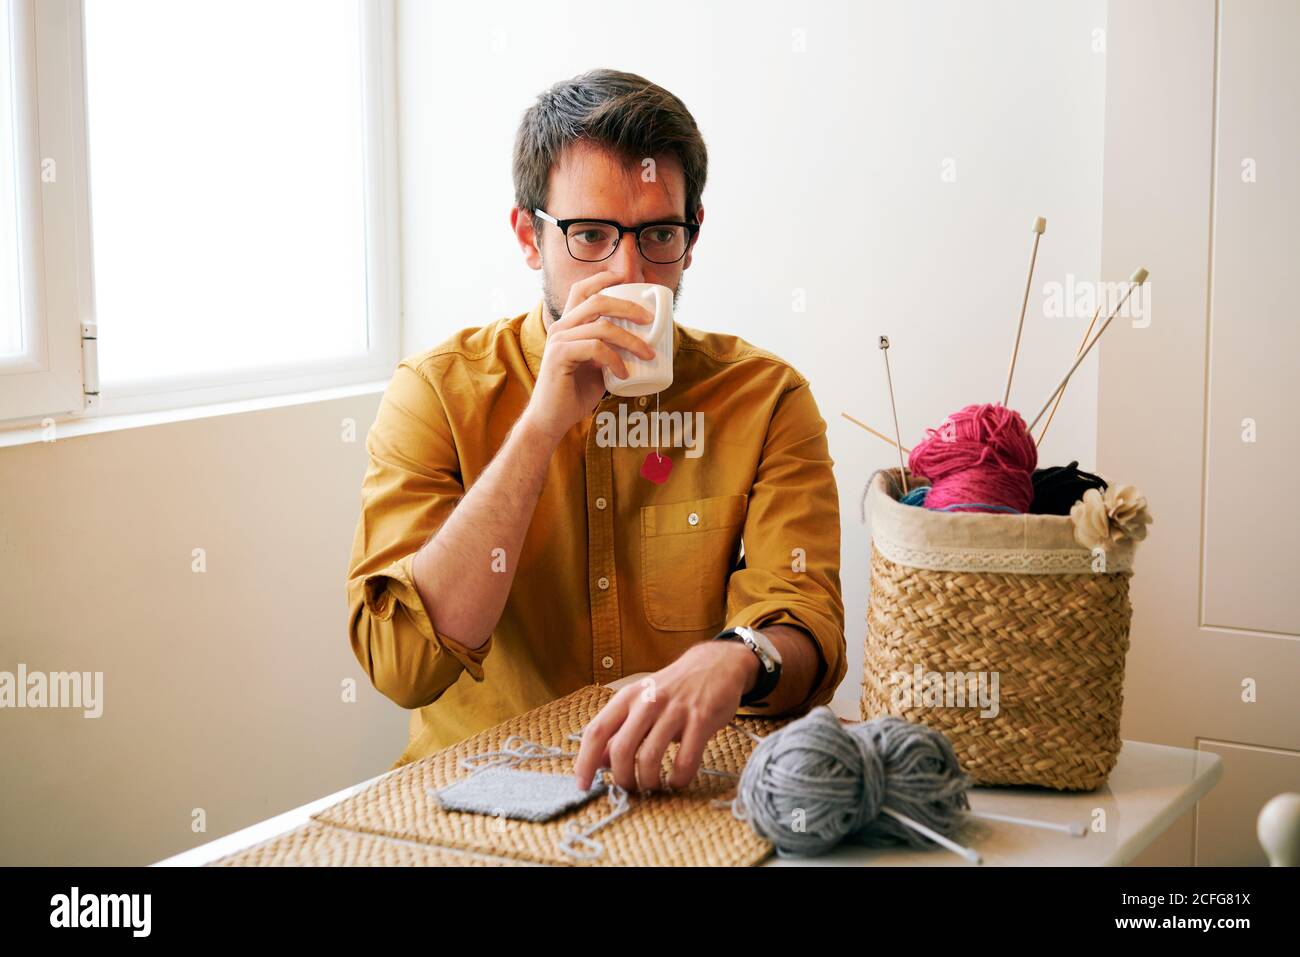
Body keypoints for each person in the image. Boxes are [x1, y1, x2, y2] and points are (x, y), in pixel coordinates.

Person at [346, 68, 845, 794]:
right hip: (478, 798)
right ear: (529, 237)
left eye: (659, 235)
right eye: (589, 235)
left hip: (683, 793)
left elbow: (808, 629)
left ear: (692, 237)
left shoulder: (766, 398)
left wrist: (739, 655)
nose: (628, 270)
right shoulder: (435, 394)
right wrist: (543, 422)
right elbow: (402, 664)